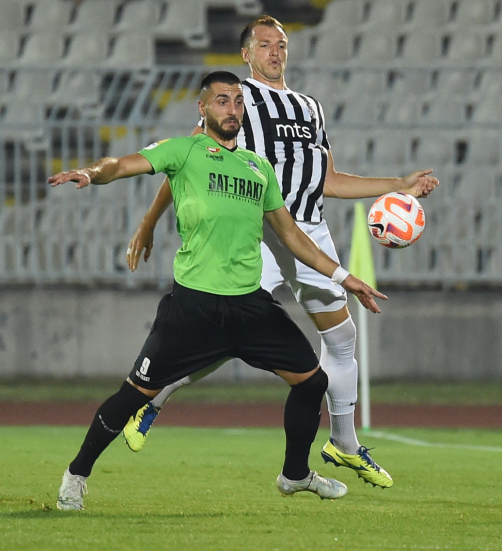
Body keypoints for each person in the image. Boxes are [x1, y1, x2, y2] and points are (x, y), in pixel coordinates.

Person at [122, 15, 439, 490]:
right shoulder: (239, 100)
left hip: (311, 231)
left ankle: (344, 443)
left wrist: (399, 184)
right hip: (263, 232)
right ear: (246, 54)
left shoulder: (310, 108)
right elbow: (186, 161)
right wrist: (148, 222)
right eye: (265, 44)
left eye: (282, 44)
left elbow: (330, 181)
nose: (275, 52)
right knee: (221, 336)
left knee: (342, 336)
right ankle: (153, 400)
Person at [48, 71, 388, 511]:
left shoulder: (257, 168)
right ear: (203, 108)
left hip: (250, 307)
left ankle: (295, 475)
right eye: (222, 101)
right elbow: (121, 165)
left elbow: (292, 236)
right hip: (194, 307)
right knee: (135, 395)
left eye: (238, 102)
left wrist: (344, 277)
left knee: (312, 382)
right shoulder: (184, 151)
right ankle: (76, 474)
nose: (232, 110)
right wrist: (90, 173)